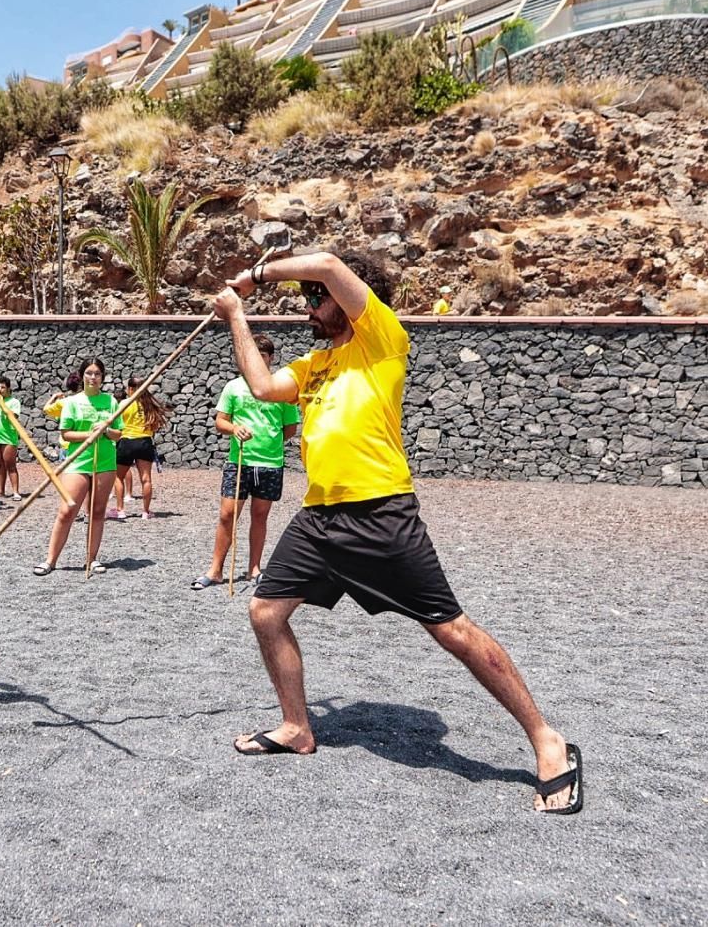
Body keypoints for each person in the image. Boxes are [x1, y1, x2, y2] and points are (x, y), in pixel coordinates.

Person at [210, 251, 582, 815]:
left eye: (317, 298)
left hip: (381, 513)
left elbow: (331, 263)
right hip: (319, 518)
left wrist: (260, 275)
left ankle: (546, 740)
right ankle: (296, 727)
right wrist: (237, 313)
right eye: (306, 299)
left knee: (451, 630)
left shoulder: (380, 337)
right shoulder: (315, 364)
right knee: (265, 612)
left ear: (351, 299)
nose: (310, 307)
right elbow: (261, 388)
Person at [191, 334, 299, 590]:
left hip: (271, 463)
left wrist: (270, 442)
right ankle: (215, 570)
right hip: (238, 461)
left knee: (259, 517)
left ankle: (254, 569)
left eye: (262, 357)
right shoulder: (233, 387)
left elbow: (290, 428)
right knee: (227, 515)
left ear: (270, 359)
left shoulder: (280, 389)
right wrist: (234, 428)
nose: (257, 361)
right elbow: (220, 421)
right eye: (252, 357)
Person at [33, 357, 122, 576]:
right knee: (67, 510)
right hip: (78, 461)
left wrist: (106, 430)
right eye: (89, 373)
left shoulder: (111, 402)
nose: (93, 377)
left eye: (97, 374)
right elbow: (66, 434)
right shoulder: (72, 402)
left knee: (97, 511)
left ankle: (91, 560)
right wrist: (89, 434)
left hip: (105, 461)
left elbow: (118, 434)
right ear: (82, 375)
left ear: (103, 377)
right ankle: (50, 560)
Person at [108, 375, 170, 520]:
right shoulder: (149, 405)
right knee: (146, 479)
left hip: (126, 441)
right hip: (144, 441)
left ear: (130, 389)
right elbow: (155, 426)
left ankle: (120, 510)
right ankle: (146, 512)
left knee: (118, 476)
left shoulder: (123, 403)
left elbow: (115, 423)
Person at [0, 375, 23, 499]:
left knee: (10, 465)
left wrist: (1, 402)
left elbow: (13, 416)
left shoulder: (14, 402)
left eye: (2, 387)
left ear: (8, 388)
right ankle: (0, 490)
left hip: (8, 437)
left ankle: (15, 491)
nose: (0, 389)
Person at [43, 370, 81, 461]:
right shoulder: (90, 401)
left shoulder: (64, 402)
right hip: (84, 444)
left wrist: (54, 397)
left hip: (66, 445)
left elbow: (45, 409)